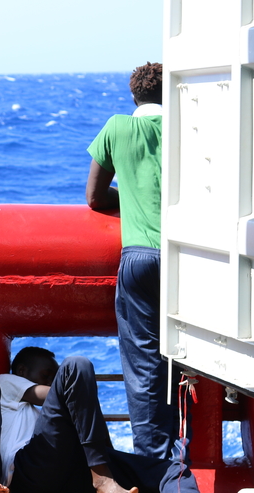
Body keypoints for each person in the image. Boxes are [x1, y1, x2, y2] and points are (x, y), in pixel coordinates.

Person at [0, 347, 236, 493]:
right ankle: (102, 480)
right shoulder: (5, 382)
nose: (52, 380)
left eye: (54, 376)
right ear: (22, 371)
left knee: (170, 468)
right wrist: (74, 389)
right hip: (30, 469)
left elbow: (77, 402)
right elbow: (63, 392)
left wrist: (108, 454)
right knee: (75, 366)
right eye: (47, 374)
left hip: (73, 469)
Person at [86, 62, 179, 460]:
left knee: (144, 366)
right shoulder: (185, 129)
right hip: (191, 259)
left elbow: (94, 196)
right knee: (188, 361)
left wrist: (134, 197)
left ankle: (155, 462)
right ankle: (186, 454)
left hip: (140, 257)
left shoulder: (117, 128)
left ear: (134, 97)